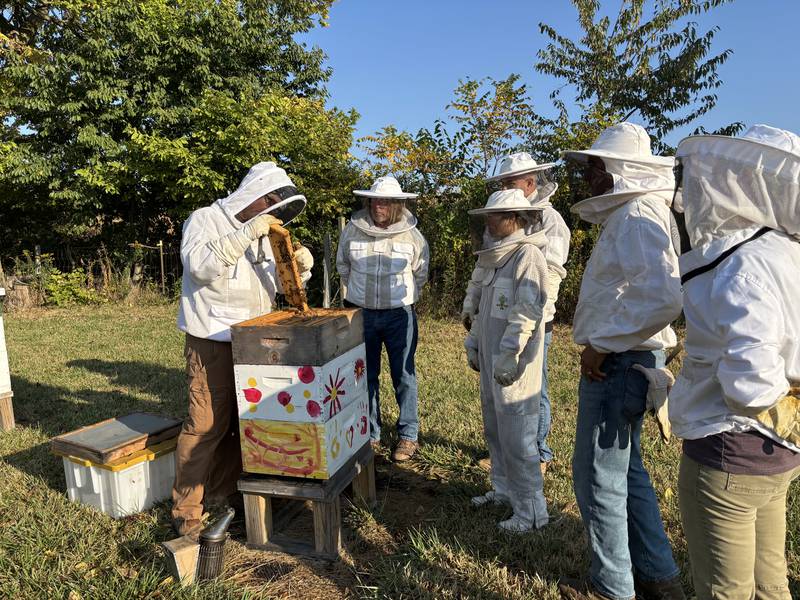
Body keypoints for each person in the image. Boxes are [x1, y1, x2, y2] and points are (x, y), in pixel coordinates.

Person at [669, 124, 800, 599]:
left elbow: (751, 385)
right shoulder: (789, 253)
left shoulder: (744, 263)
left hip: (730, 453)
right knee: (771, 584)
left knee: (725, 591)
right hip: (780, 456)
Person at [560, 123, 685, 600]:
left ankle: (614, 586)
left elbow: (661, 296)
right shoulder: (638, 212)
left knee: (597, 478)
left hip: (620, 361)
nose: (590, 176)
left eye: (596, 166)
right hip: (628, 357)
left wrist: (602, 344)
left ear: (623, 169)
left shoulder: (636, 215)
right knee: (627, 473)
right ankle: (658, 577)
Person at [172, 162, 313, 537]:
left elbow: (281, 289)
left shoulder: (265, 234)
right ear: (259, 197)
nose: (275, 215)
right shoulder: (204, 220)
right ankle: (186, 512)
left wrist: (300, 267)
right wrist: (248, 232)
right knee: (204, 426)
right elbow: (200, 268)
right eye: (272, 206)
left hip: (254, 343)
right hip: (212, 341)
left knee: (247, 423)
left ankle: (230, 494)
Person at [463, 152, 570, 474]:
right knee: (501, 392)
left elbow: (547, 272)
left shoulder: (550, 221)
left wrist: (534, 315)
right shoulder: (500, 214)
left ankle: (537, 453)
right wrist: (474, 305)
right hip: (498, 316)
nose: (507, 186)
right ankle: (506, 459)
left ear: (531, 182)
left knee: (532, 390)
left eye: (510, 182)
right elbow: (488, 263)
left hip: (530, 317)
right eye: (504, 182)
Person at [465, 188, 550, 533]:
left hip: (514, 367)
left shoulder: (527, 256)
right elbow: (484, 309)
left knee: (518, 437)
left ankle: (532, 512)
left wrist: (511, 353)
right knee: (495, 429)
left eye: (494, 216)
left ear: (513, 219)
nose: (488, 221)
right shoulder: (495, 258)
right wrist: (473, 343)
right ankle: (503, 491)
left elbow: (526, 310)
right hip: (491, 360)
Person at [336, 176, 429, 462]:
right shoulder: (353, 230)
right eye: (375, 200)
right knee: (366, 375)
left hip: (399, 314)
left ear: (398, 205)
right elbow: (343, 265)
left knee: (404, 374)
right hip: (361, 314)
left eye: (386, 201)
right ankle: (371, 433)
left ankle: (408, 435)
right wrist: (358, 298)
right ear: (369, 202)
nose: (380, 206)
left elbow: (420, 273)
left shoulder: (412, 236)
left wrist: (403, 298)